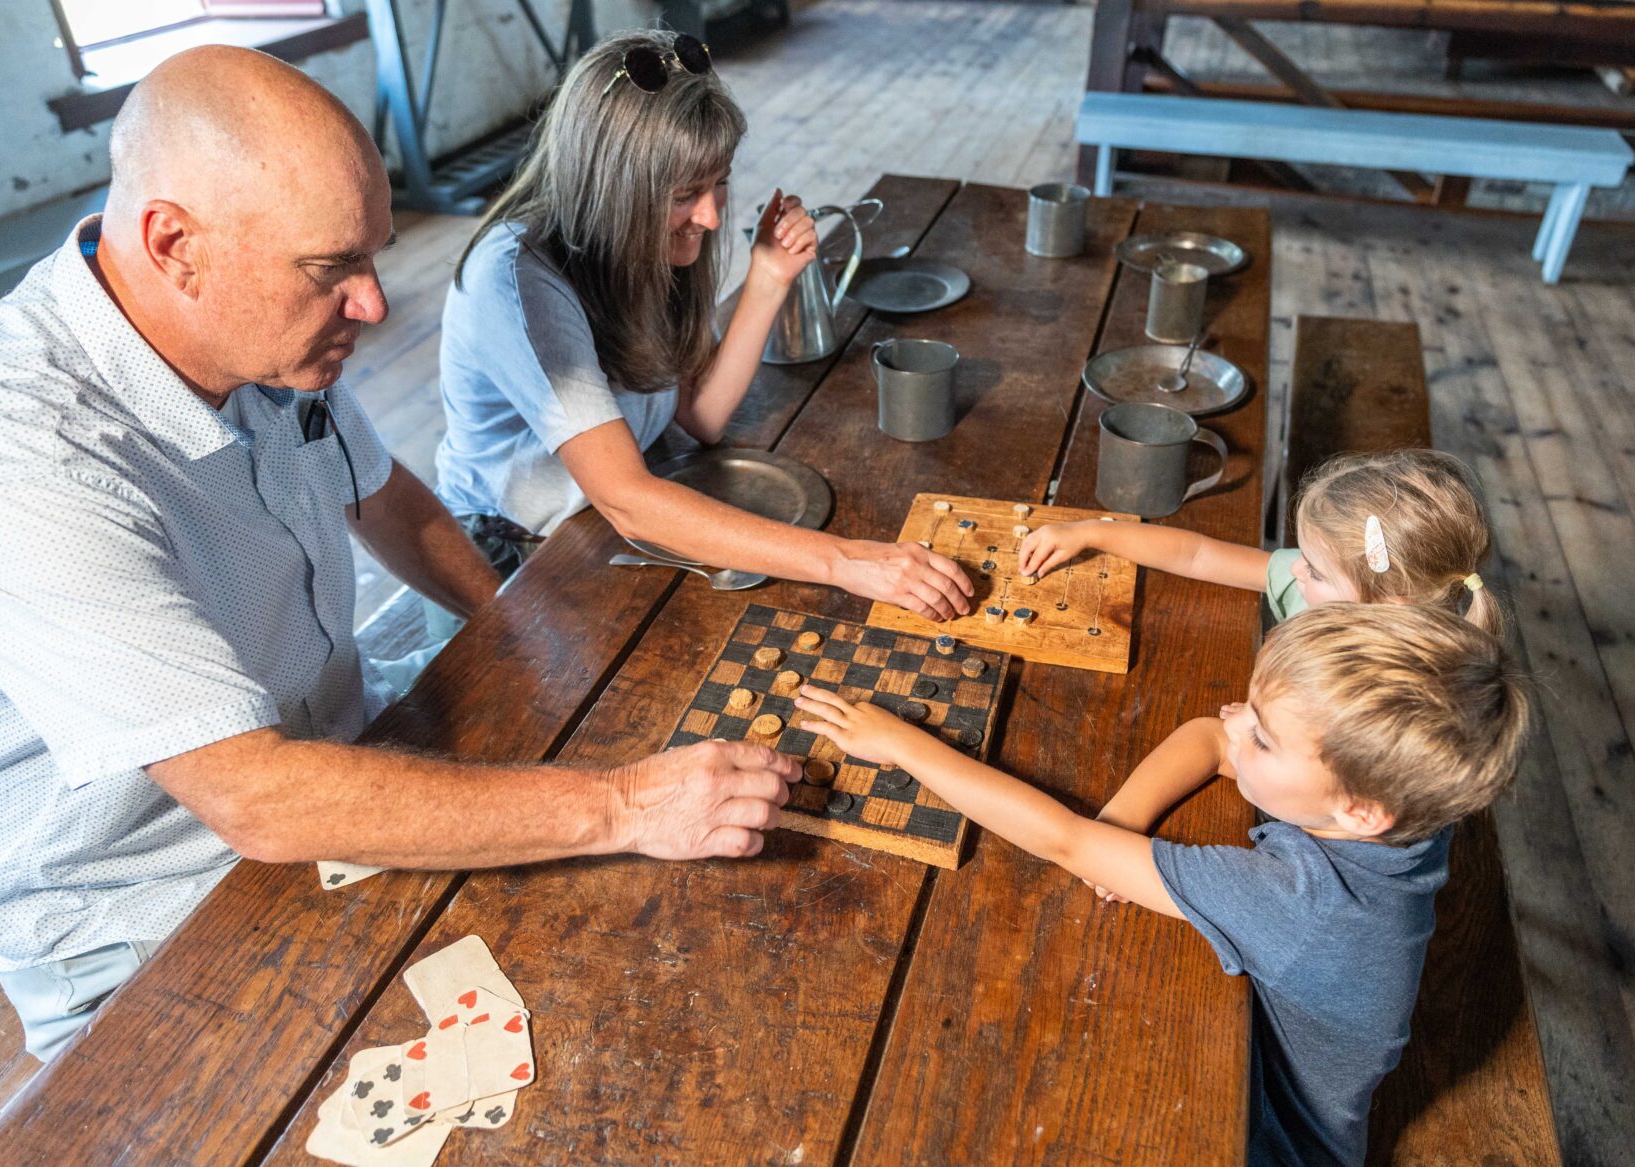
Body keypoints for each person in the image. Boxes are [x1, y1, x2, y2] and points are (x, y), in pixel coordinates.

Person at [0, 46, 797, 1061]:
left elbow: (393, 504)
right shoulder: (9, 461)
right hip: (149, 919)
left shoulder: (258, 337)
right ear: (174, 243)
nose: (373, 304)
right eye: (333, 271)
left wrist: (527, 650)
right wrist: (623, 804)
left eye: (370, 256)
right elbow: (257, 799)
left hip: (341, 760)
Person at [794, 603, 1530, 1165]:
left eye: (1264, 736)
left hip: (1271, 1140)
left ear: (1361, 808)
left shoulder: (1298, 906)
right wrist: (1121, 827)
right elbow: (1208, 739)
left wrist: (900, 744)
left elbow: (1062, 839)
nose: (1236, 721)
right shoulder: (1402, 814)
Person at [431, 29, 972, 628]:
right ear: (612, 187)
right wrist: (849, 562)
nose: (712, 216)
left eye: (719, 182)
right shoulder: (515, 281)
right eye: (685, 193)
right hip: (508, 557)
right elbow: (627, 500)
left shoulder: (642, 244)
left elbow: (703, 417)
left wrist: (768, 276)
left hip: (602, 524)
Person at [1019, 449, 1503, 636]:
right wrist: (1092, 531)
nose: (1294, 568)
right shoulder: (1346, 589)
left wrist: (1260, 731)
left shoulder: (1379, 702)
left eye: (1314, 570)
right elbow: (1198, 554)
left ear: (1389, 605)